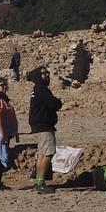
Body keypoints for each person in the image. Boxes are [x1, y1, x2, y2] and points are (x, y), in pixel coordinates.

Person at [28, 66, 62, 194]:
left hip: (40, 125)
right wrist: (59, 102)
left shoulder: (37, 89)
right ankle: (40, 182)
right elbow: (54, 104)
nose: (47, 75)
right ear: (38, 75)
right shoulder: (41, 89)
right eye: (43, 73)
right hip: (44, 126)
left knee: (42, 154)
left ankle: (38, 181)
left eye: (48, 73)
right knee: (48, 153)